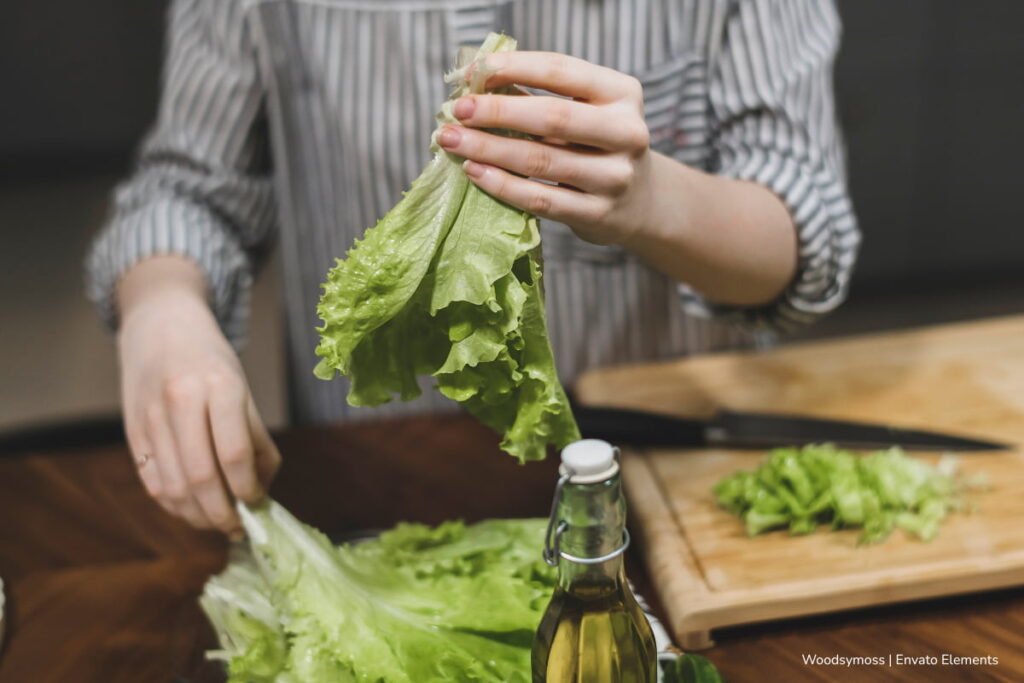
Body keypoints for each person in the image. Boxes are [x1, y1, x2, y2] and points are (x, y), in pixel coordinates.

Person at [86, 0, 860, 538]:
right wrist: (163, 311)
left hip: (675, 497)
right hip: (381, 493)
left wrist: (656, 200)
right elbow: (191, 189)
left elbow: (805, 239)